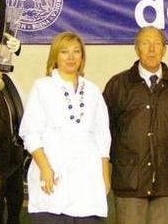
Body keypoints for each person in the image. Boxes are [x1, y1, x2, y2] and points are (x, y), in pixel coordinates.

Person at [19, 31, 111, 223]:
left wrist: (104, 176)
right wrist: (45, 168)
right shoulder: (42, 87)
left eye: (76, 52)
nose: (70, 57)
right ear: (55, 56)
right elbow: (30, 132)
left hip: (87, 183)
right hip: (53, 180)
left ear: (82, 57)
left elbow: (102, 136)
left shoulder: (93, 91)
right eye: (64, 52)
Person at [103, 26, 168, 224]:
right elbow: (104, 131)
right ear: (136, 49)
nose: (151, 49)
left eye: (156, 44)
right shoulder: (117, 85)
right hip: (130, 183)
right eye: (145, 43)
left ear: (164, 49)